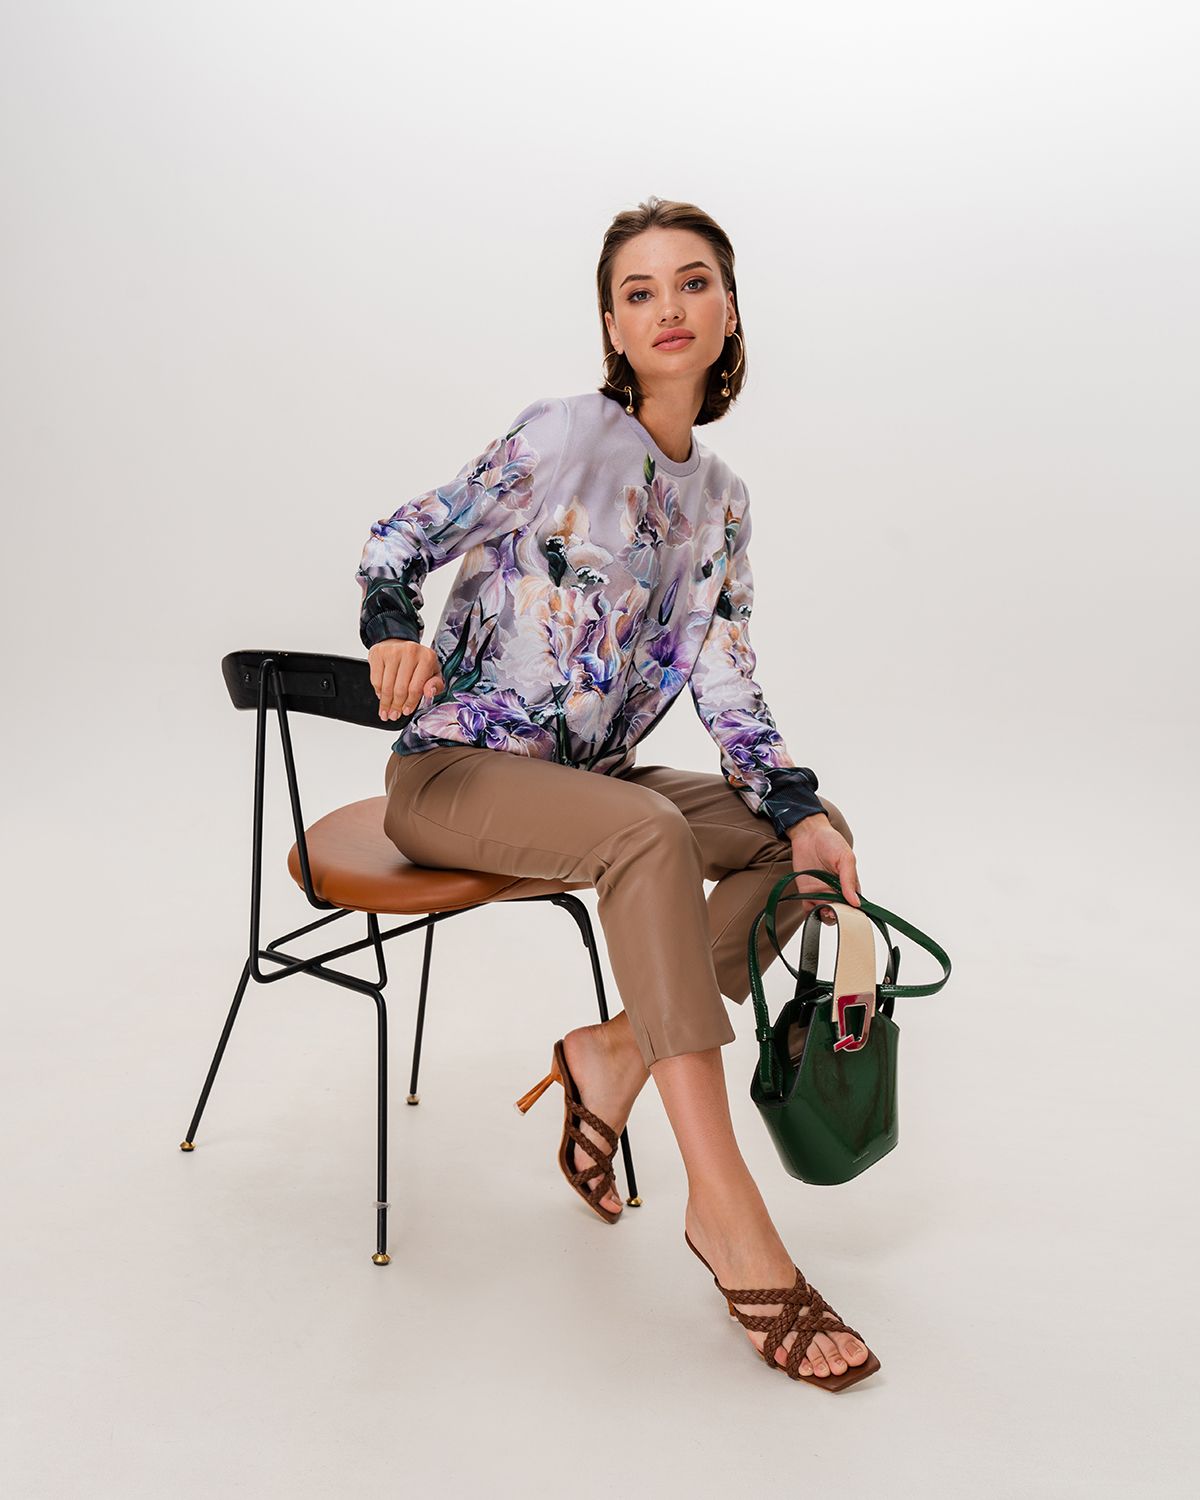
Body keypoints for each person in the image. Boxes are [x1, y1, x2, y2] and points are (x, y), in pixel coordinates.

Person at [354, 196, 879, 1389]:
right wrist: (391, 630)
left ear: (729, 307)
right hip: (452, 774)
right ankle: (725, 1210)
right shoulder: (562, 436)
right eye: (639, 291)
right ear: (612, 324)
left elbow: (725, 682)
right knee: (647, 834)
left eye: (692, 282)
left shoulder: (723, 502)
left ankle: (612, 1052)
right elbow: (400, 537)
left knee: (800, 842)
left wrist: (800, 804)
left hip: (590, 783)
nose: (668, 307)